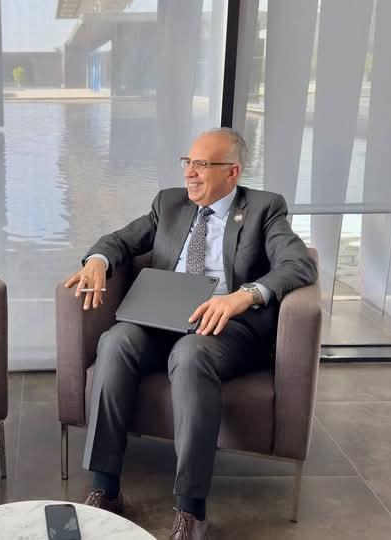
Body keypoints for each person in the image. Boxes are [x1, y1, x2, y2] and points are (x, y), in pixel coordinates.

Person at [64, 128, 317, 540]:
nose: (190, 173)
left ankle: (191, 508)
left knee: (191, 354)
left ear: (232, 172)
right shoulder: (169, 203)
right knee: (114, 342)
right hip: (163, 317)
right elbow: (120, 241)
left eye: (202, 164)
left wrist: (244, 296)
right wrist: (97, 260)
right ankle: (105, 487)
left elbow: (298, 264)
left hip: (225, 327)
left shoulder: (264, 209)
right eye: (188, 162)